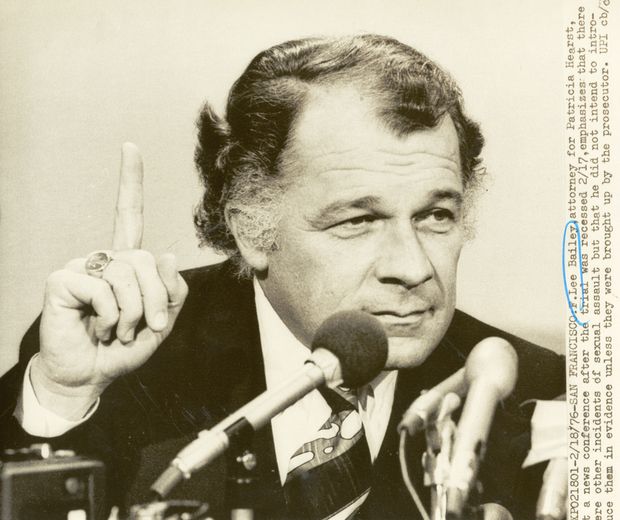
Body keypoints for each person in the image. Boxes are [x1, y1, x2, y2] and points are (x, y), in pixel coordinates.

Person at [0, 35, 564, 519]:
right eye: (357, 221)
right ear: (252, 230)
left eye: (436, 215)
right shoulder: (129, 358)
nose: (413, 268)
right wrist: (63, 397)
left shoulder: (542, 396)